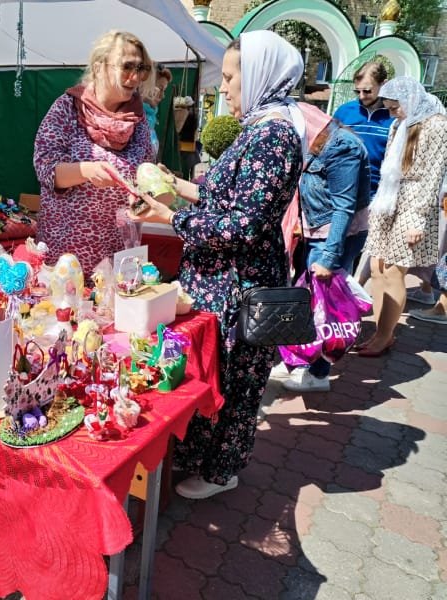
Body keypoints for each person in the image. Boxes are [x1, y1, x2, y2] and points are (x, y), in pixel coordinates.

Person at [128, 30, 304, 499]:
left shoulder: (274, 136)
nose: (222, 88)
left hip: (241, 287)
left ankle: (222, 471)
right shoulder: (261, 128)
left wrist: (171, 216)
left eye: (229, 77)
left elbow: (243, 225)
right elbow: (224, 197)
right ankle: (203, 457)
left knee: (239, 382)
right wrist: (177, 185)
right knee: (218, 372)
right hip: (224, 282)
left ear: (261, 74)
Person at [33, 30, 155, 278]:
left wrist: (148, 188)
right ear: (99, 68)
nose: (135, 77)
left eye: (141, 68)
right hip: (66, 256)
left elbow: (145, 173)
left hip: (118, 255)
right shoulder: (67, 108)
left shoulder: (138, 119)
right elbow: (45, 168)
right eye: (126, 67)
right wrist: (87, 171)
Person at [281, 103, 371, 393]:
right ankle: (299, 362)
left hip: (335, 237)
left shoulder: (344, 145)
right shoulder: (312, 146)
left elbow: (343, 207)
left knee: (325, 310)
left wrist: (330, 258)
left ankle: (317, 375)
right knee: (306, 302)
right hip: (314, 233)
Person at [358, 76, 447, 357]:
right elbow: (388, 164)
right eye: (389, 107)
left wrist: (418, 217)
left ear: (409, 100)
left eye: (395, 106)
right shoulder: (399, 124)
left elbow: (433, 176)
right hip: (388, 200)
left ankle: (385, 335)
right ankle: (378, 331)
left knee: (395, 272)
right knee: (377, 268)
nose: (392, 112)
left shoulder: (437, 125)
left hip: (414, 205)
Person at [333, 61, 395, 286]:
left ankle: (345, 297)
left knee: (356, 250)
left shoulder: (392, 116)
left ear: (383, 85)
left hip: (374, 193)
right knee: (336, 247)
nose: (362, 96)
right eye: (357, 91)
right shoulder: (345, 112)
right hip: (342, 190)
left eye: (367, 90)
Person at [143, 64, 173, 160]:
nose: (162, 96)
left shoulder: (150, 116)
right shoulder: (133, 116)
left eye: (164, 90)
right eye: (160, 88)